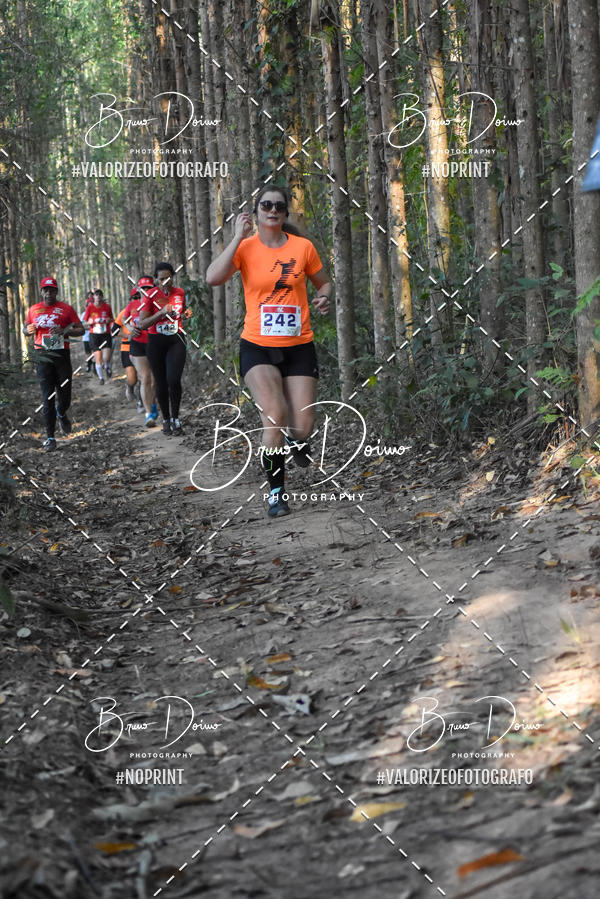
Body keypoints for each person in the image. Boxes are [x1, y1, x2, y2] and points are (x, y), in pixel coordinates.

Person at [206, 185, 332, 517]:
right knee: (273, 414)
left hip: (299, 345)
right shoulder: (245, 248)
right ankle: (276, 493)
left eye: (278, 206)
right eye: (266, 205)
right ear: (257, 211)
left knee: (301, 426)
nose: (272, 210)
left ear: (285, 213)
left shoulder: (303, 248)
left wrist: (323, 297)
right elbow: (212, 278)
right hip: (257, 346)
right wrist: (236, 237)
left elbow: (324, 282)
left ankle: (298, 441)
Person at [23, 277, 84, 452]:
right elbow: (26, 328)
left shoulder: (66, 309)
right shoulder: (34, 309)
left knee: (65, 394)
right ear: (42, 292)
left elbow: (81, 329)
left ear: (56, 291)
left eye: (52, 290)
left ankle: (62, 412)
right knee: (47, 397)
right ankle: (50, 437)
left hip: (61, 355)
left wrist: (65, 331)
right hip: (42, 356)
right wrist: (26, 330)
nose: (48, 293)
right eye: (45, 290)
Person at [137, 265, 192, 436]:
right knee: (160, 382)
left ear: (173, 277)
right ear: (156, 280)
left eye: (168, 278)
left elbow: (180, 313)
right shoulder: (150, 295)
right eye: (161, 279)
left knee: (173, 379)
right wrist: (160, 313)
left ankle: (176, 418)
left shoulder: (180, 292)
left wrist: (185, 315)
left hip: (176, 339)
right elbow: (143, 323)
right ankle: (166, 419)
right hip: (156, 342)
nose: (165, 282)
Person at [116, 283, 158, 427]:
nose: (146, 291)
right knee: (145, 377)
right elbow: (122, 321)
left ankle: (153, 404)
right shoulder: (132, 305)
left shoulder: (158, 303)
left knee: (154, 380)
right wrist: (129, 330)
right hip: (136, 345)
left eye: (149, 288)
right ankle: (148, 414)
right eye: (143, 289)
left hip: (155, 343)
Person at [83, 289, 114, 384]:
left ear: (102, 297)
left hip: (105, 335)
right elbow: (85, 322)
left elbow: (112, 318)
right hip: (94, 335)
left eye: (100, 295)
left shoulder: (107, 307)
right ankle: (101, 378)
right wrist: (89, 322)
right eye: (96, 295)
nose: (98, 297)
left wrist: (109, 320)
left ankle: (107, 366)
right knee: (98, 358)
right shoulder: (90, 308)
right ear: (94, 297)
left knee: (106, 357)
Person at [82, 290, 94, 372]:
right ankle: (89, 364)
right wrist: (90, 326)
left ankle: (96, 366)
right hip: (86, 337)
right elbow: (82, 325)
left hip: (95, 336)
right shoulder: (84, 314)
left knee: (95, 352)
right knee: (88, 353)